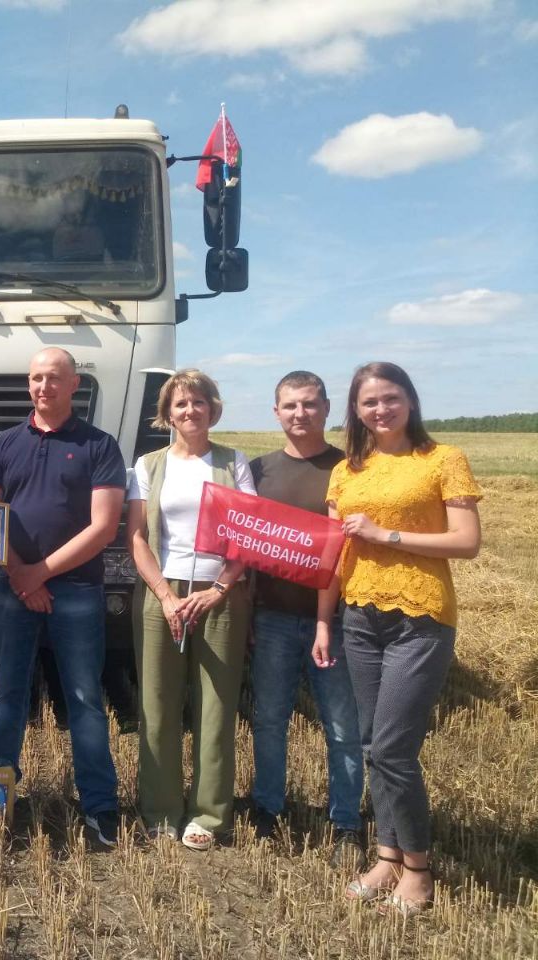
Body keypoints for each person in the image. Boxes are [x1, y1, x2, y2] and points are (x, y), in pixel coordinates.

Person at [314, 361, 481, 916]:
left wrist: (388, 534)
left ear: (409, 400)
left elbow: (466, 542)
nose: (380, 409)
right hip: (360, 618)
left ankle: (418, 868)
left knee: (392, 749)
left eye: (390, 398)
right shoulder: (347, 471)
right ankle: (387, 854)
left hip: (420, 616)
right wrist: (323, 619)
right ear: (356, 410)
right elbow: (333, 554)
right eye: (369, 402)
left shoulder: (443, 460)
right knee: (370, 745)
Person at [0, 347, 126, 848]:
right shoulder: (3, 443)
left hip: (78, 591)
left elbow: (104, 527)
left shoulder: (100, 446)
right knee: (7, 695)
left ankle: (100, 806)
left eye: (55, 378)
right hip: (12, 589)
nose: (45, 387)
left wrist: (38, 573)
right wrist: (22, 577)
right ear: (29, 385)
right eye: (37, 378)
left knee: (84, 699)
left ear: (74, 386)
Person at [126, 369, 255, 851]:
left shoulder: (234, 463)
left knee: (216, 705)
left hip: (220, 594)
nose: (189, 411)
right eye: (180, 404)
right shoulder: (147, 465)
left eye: (198, 402)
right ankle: (160, 810)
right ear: (167, 413)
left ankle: (209, 814)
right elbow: (136, 537)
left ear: (213, 409)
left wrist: (219, 589)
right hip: (163, 593)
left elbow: (248, 535)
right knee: (156, 704)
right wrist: (164, 594)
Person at [249, 371, 364, 868]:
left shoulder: (350, 468)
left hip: (336, 620)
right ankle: (268, 807)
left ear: (326, 408)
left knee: (341, 726)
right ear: (276, 412)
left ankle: (346, 823)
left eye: (310, 405)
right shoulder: (258, 470)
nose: (301, 414)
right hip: (272, 616)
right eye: (290, 406)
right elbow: (246, 546)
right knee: (269, 718)